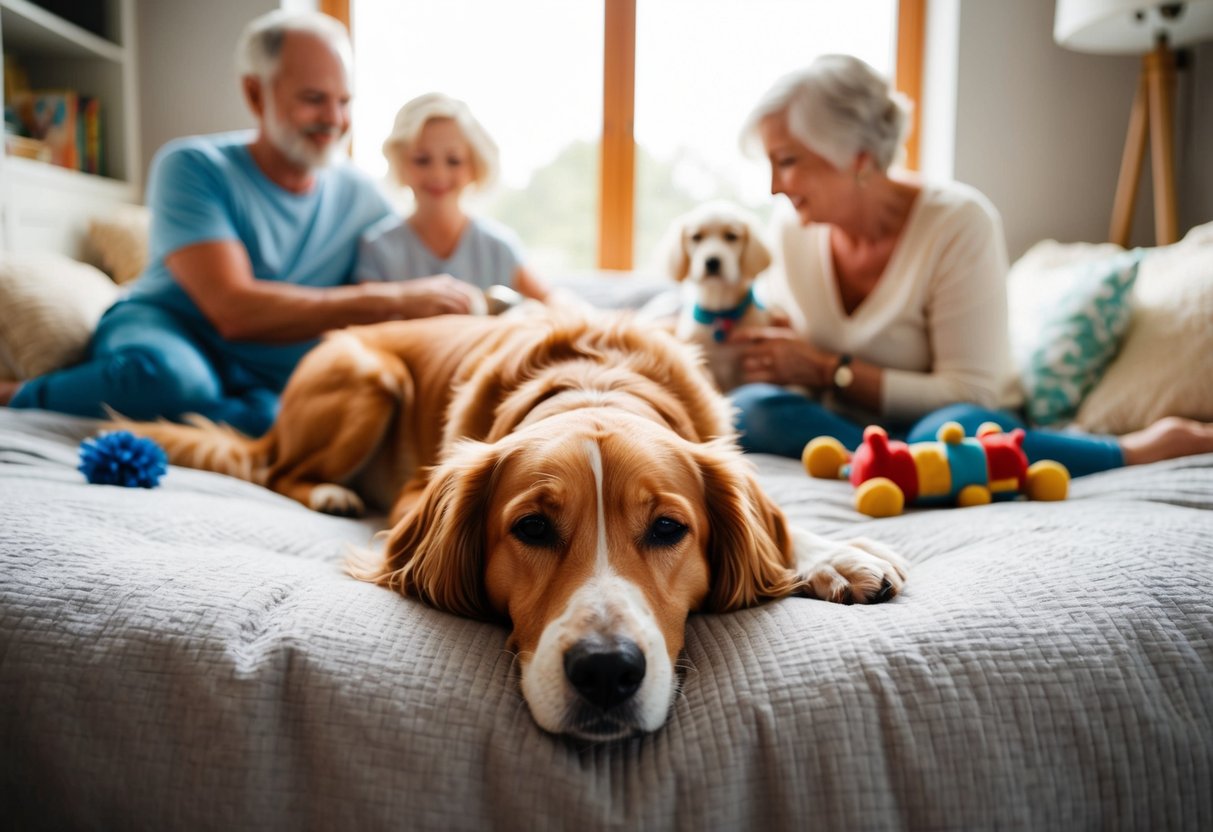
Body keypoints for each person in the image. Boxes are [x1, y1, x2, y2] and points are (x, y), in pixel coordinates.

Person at [729, 54, 1213, 476]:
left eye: (787, 161)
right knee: (749, 411)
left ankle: (1129, 451)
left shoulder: (959, 222)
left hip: (953, 418)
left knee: (949, 434)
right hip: (849, 425)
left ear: (856, 157)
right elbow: (781, 337)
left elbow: (971, 391)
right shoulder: (789, 229)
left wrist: (831, 370)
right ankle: (905, 466)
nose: (774, 185)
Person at [0, 10, 475, 436]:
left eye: (344, 101)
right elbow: (232, 310)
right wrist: (392, 300)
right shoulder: (193, 166)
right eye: (314, 99)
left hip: (272, 373)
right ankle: (18, 396)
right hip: (171, 331)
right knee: (174, 380)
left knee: (309, 420)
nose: (334, 119)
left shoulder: (363, 196)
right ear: (254, 92)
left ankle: (231, 418)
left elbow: (419, 256)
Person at [354, 92, 549, 302]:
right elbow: (365, 326)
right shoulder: (378, 247)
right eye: (422, 160)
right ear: (401, 165)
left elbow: (555, 304)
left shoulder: (499, 247)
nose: (438, 174)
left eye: (454, 161)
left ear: (475, 166)